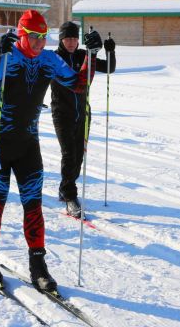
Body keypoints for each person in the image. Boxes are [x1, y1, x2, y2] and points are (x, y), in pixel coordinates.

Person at [0, 10, 103, 292]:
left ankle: (38, 266)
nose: (39, 43)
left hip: (26, 142)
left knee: (33, 204)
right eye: (34, 37)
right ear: (21, 34)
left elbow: (78, 86)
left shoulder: (48, 59)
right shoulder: (7, 55)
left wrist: (91, 57)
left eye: (43, 37)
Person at [51, 21, 116, 217]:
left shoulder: (82, 54)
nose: (71, 42)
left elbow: (109, 68)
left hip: (83, 113)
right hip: (62, 113)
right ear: (61, 39)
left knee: (78, 156)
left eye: (74, 38)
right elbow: (72, 80)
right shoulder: (55, 58)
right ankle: (70, 196)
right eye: (67, 38)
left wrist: (110, 51)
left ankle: (65, 187)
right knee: (69, 154)